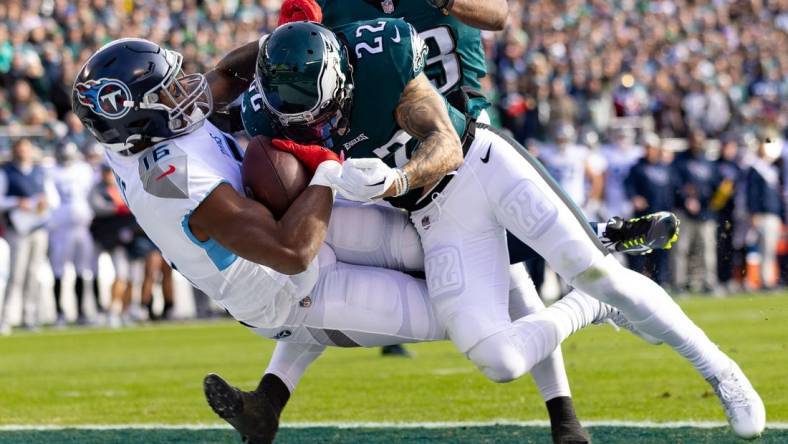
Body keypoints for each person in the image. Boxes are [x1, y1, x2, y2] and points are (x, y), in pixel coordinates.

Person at [74, 38, 647, 444]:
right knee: (471, 311)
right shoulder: (170, 177)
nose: (190, 91)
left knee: (445, 237)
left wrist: (309, 40)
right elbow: (291, 251)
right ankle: (588, 301)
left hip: (295, 226)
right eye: (170, 90)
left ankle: (588, 240)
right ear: (136, 118)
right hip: (288, 286)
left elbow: (227, 74)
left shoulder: (142, 134)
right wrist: (325, 170)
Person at [241, 20, 763, 440]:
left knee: (595, 271)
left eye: (318, 111)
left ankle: (720, 370)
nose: (311, 127)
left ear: (339, 78)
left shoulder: (381, 57)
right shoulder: (275, 105)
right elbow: (231, 84)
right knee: (499, 360)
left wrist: (396, 179)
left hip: (480, 167)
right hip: (434, 217)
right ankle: (588, 308)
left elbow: (444, 144)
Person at [0, 138, 57, 335]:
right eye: (20, 149)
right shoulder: (6, 173)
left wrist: (44, 202)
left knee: (33, 273)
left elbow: (53, 198)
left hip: (38, 226)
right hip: (18, 228)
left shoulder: (40, 172)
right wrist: (17, 202)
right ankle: (6, 317)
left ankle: (29, 315)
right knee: (16, 274)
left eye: (27, 149)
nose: (24, 152)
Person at [48, 142, 96, 326]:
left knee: (83, 269)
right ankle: (59, 312)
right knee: (58, 270)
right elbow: (52, 199)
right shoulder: (52, 171)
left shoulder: (84, 169)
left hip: (83, 227)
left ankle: (82, 311)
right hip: (61, 228)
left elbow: (90, 194)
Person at [672, 130, 721, 294]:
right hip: (684, 213)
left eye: (700, 139)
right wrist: (686, 199)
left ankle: (708, 283)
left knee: (707, 250)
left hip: (705, 213)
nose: (697, 143)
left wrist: (711, 202)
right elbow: (675, 184)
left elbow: (716, 186)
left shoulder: (709, 162)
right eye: (694, 139)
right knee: (681, 249)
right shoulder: (680, 161)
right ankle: (679, 284)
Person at [624, 134, 675, 285]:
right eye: (646, 147)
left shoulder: (666, 168)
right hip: (643, 217)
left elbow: (675, 188)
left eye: (651, 148)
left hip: (663, 218)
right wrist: (634, 198)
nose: (648, 151)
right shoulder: (637, 168)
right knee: (640, 252)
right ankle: (638, 284)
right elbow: (629, 187)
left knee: (661, 254)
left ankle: (661, 283)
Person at [746, 139, 784, 290]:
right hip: (763, 214)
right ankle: (765, 280)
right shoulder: (756, 169)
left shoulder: (773, 168)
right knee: (764, 249)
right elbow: (752, 193)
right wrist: (754, 213)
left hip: (773, 214)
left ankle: (768, 279)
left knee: (770, 249)